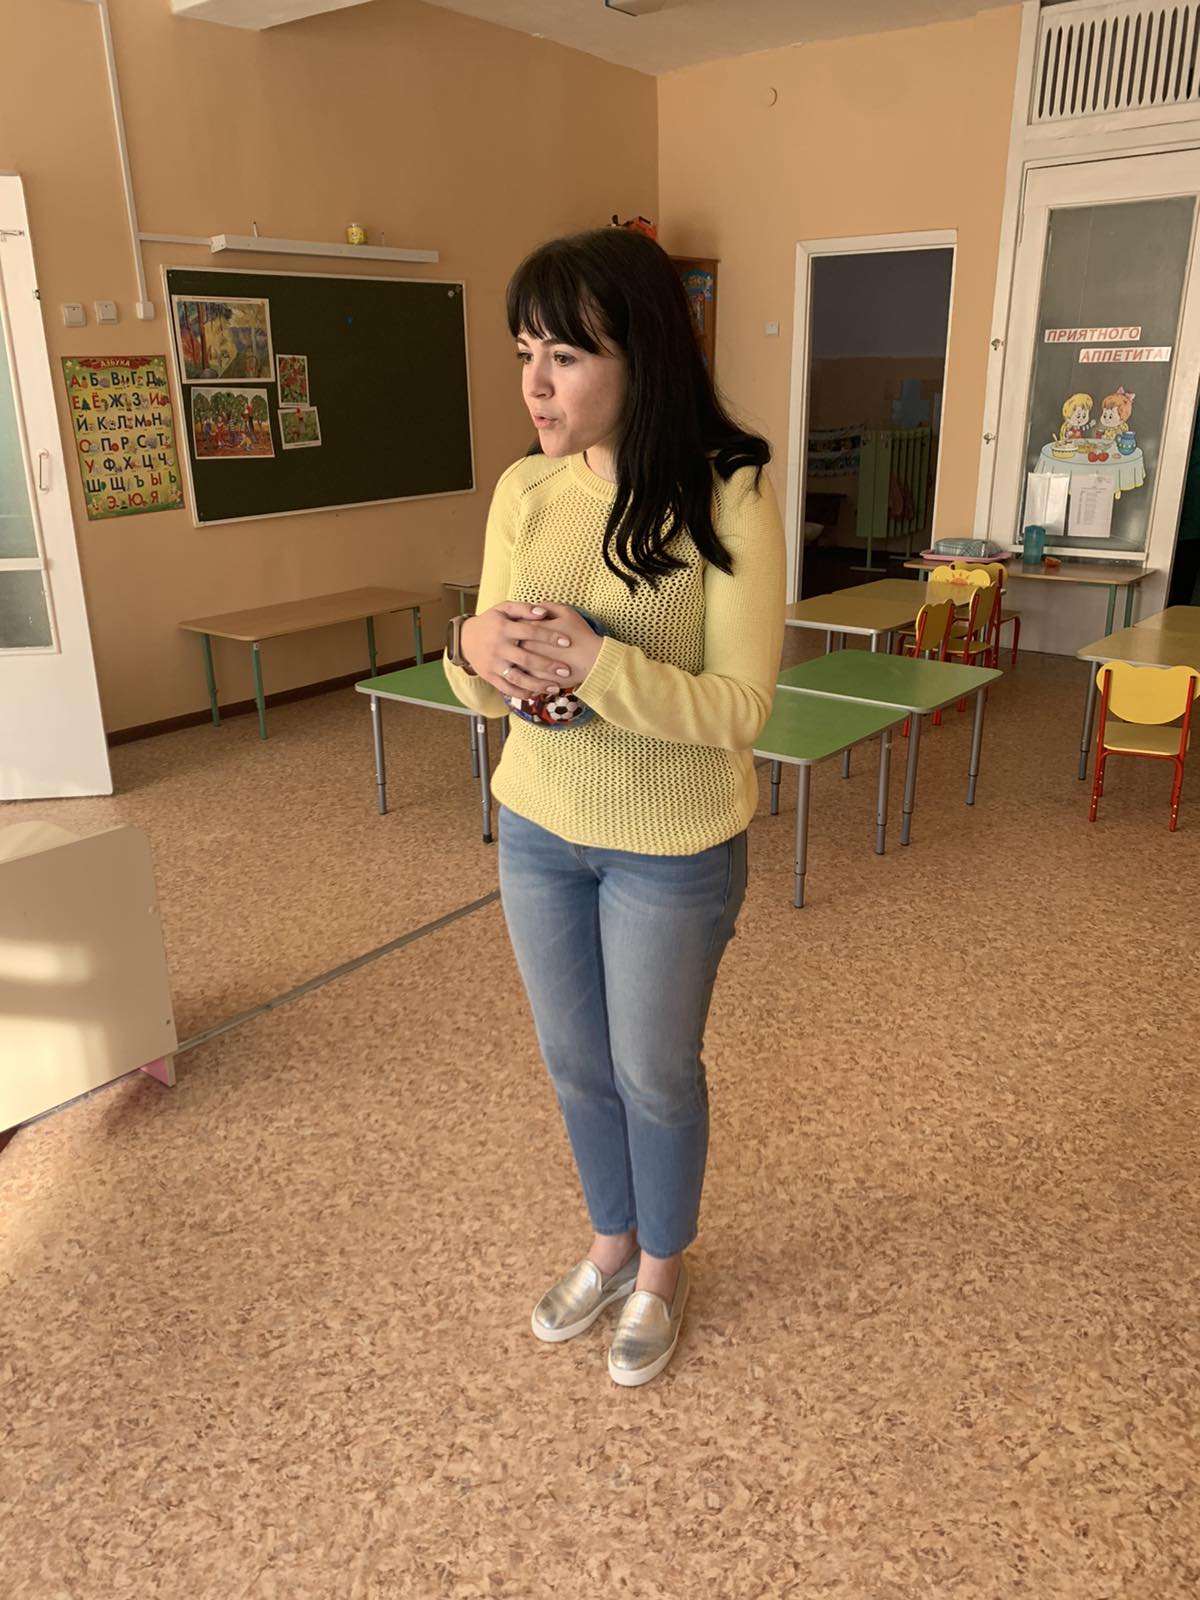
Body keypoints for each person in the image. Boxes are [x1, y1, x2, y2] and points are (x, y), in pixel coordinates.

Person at [443, 227, 786, 1387]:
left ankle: (661, 1270)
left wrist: (600, 666)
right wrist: (470, 647)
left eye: (566, 356)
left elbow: (741, 708)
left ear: (640, 356)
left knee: (653, 1071)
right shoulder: (525, 491)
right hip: (538, 826)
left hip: (672, 847)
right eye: (523, 353)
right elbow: (481, 680)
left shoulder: (729, 491)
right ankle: (610, 1242)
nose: (535, 385)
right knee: (574, 1061)